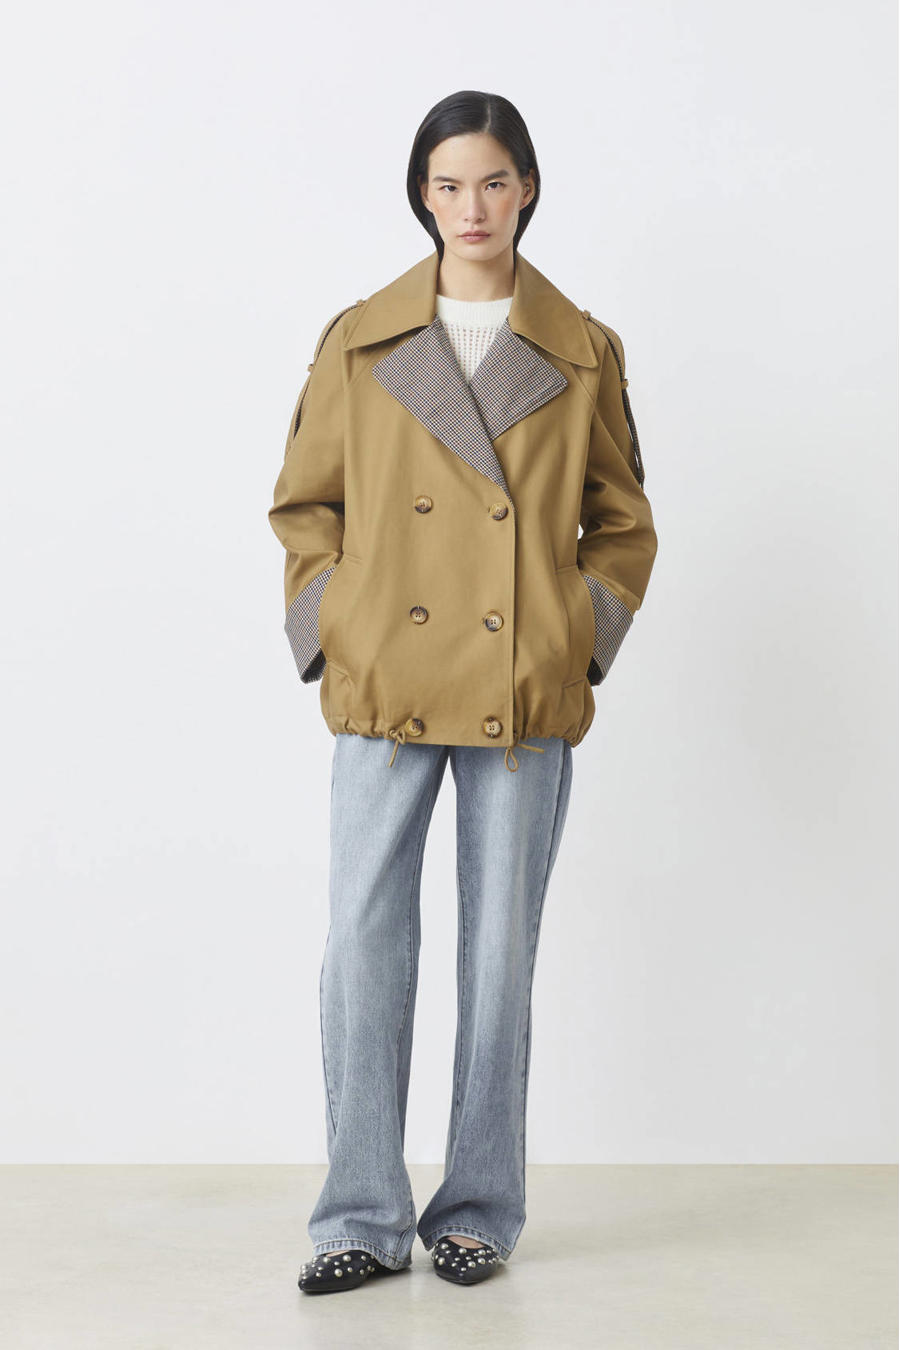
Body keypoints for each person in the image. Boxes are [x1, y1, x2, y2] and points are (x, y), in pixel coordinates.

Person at [268, 89, 658, 1294]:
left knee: (499, 961)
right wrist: (337, 626)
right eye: (448, 185)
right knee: (361, 948)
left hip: (518, 693)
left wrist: (567, 639)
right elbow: (305, 505)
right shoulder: (361, 338)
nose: (471, 207)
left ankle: (479, 1209)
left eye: (492, 181)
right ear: (422, 195)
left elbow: (623, 524)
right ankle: (358, 1217)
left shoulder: (581, 349)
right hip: (385, 685)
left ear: (526, 188)